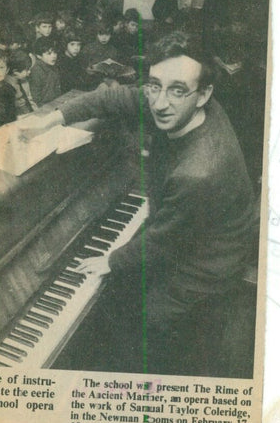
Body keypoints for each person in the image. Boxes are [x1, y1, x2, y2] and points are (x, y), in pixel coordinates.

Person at [19, 31, 256, 376]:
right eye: (154, 86)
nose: (160, 103)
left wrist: (112, 258)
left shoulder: (199, 172)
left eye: (176, 90)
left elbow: (162, 242)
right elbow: (113, 99)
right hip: (181, 225)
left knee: (134, 318)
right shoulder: (174, 103)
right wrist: (51, 119)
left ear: (204, 94)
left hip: (209, 263)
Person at [27, 35, 61, 106]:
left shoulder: (54, 67)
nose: (54, 56)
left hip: (54, 103)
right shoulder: (36, 71)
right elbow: (36, 98)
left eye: (55, 53)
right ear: (39, 56)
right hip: (42, 107)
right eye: (49, 53)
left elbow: (57, 90)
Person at [6, 49, 38, 115]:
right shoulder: (6, 86)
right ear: (15, 72)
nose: (29, 72)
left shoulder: (21, 81)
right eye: (27, 70)